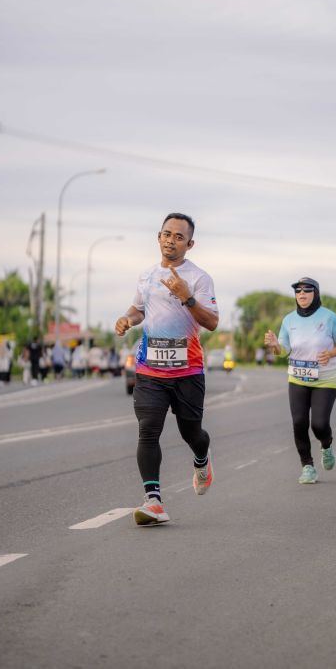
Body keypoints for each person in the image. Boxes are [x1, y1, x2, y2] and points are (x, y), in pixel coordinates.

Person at [115, 213, 219, 525]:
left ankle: (202, 459)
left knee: (192, 433)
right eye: (167, 234)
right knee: (148, 429)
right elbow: (139, 309)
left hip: (188, 371)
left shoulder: (199, 278)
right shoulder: (146, 276)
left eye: (179, 237)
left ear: (190, 244)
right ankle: (154, 501)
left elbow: (212, 322)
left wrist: (187, 297)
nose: (171, 240)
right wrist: (128, 319)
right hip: (150, 369)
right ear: (158, 237)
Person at [264, 276, 336, 484]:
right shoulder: (289, 320)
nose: (302, 293)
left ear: (315, 293)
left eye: (307, 290)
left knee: (319, 424)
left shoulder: (329, 317)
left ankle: (326, 445)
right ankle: (307, 467)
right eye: (298, 290)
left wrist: (331, 353)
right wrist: (275, 345)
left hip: (325, 379)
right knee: (299, 423)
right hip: (297, 378)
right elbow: (283, 351)